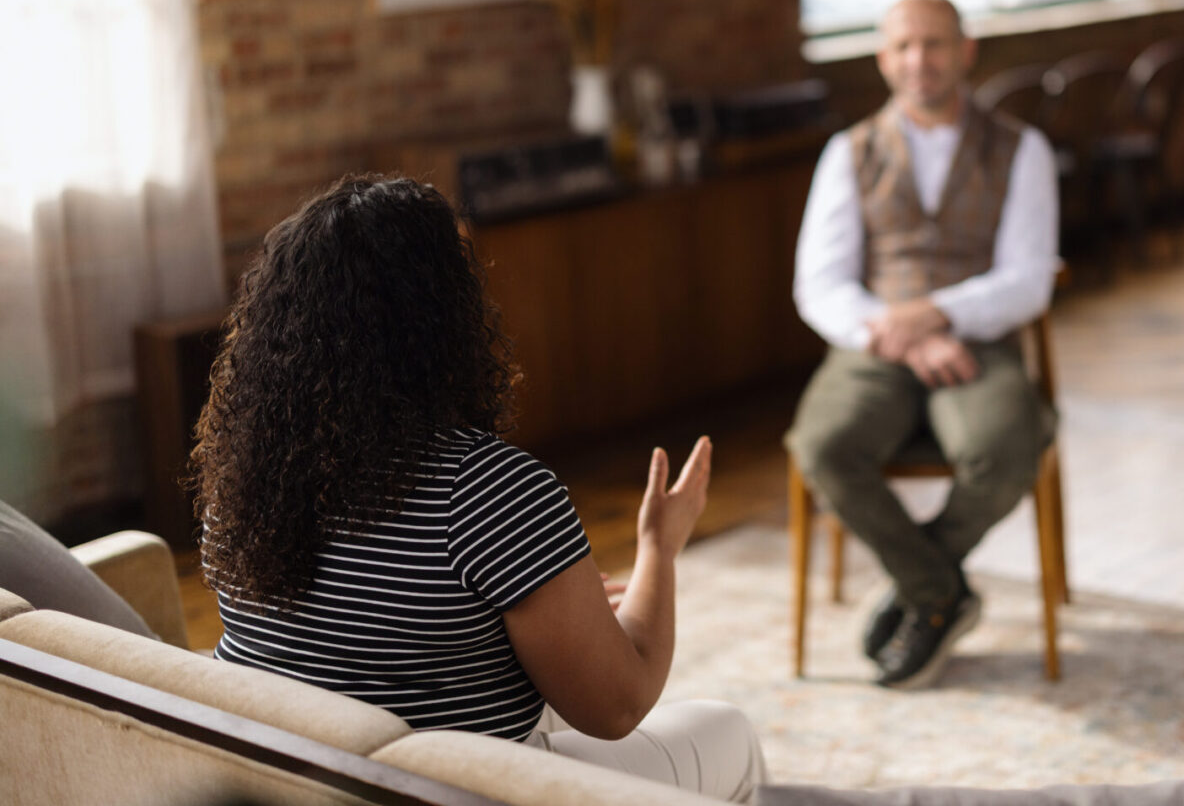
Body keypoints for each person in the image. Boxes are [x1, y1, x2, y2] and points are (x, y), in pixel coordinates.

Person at [188, 176, 765, 802]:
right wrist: (658, 546)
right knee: (728, 730)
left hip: (297, 785)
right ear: (443, 316)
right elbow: (616, 709)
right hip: (460, 791)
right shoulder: (487, 490)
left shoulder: (239, 480)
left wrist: (535, 608)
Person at [788, 0, 1059, 690]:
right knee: (821, 446)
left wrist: (936, 314)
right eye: (904, 47)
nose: (920, 61)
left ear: (965, 52)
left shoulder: (1021, 148)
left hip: (978, 339)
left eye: (934, 44)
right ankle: (940, 593)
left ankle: (919, 587)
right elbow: (819, 285)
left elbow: (1029, 279)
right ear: (883, 59)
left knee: (1005, 446)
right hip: (871, 345)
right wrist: (901, 336)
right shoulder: (846, 154)